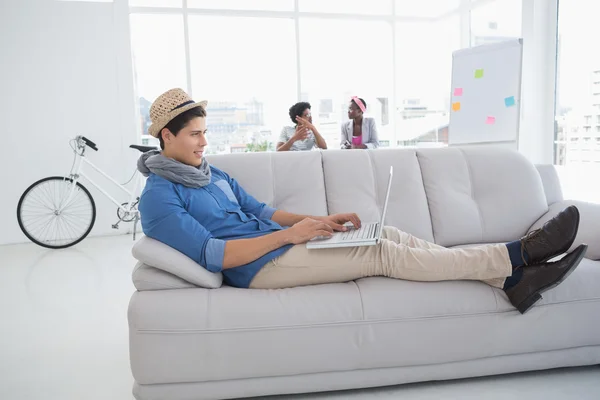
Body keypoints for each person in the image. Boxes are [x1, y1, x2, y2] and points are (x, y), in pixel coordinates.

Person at [138, 88, 587, 315]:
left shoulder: (210, 173)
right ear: (166, 136)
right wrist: (290, 235)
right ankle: (517, 254)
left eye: (204, 132)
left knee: (384, 232)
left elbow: (259, 212)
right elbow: (214, 255)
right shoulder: (159, 196)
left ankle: (512, 284)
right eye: (195, 134)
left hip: (281, 244)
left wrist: (320, 220)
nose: (203, 142)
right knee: (380, 251)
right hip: (256, 268)